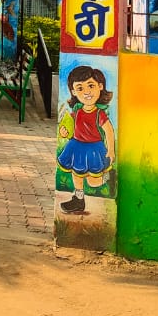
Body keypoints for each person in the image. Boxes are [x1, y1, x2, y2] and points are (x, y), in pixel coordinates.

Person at [56, 65, 115, 215]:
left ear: (100, 86)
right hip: (76, 146)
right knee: (76, 174)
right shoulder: (77, 110)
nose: (86, 92)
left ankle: (108, 177)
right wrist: (64, 132)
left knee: (93, 182)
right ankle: (78, 199)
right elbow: (69, 127)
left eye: (91, 86)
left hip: (94, 148)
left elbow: (109, 130)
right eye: (80, 88)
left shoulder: (99, 113)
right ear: (74, 92)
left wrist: (111, 150)